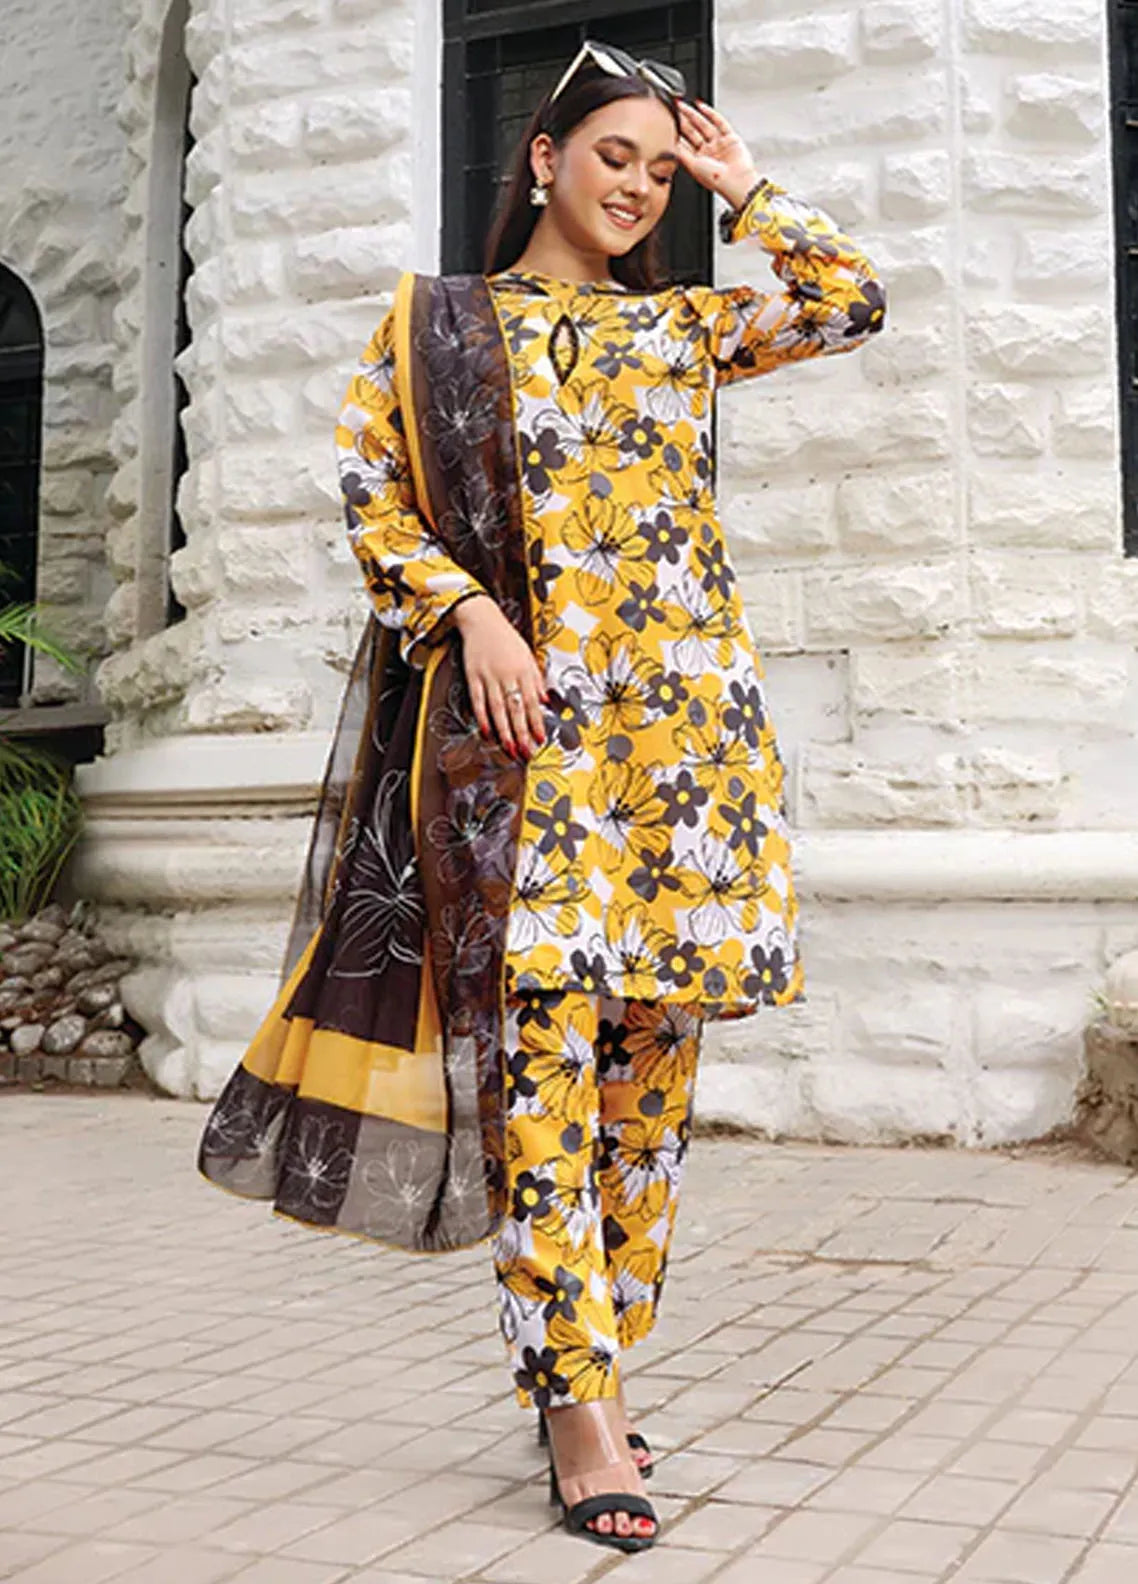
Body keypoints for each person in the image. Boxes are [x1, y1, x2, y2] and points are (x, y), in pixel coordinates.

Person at [198, 37, 885, 1556]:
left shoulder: (683, 329)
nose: (637, 187)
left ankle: (603, 1367)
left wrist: (744, 184)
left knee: (647, 1102)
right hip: (527, 752)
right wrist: (470, 614)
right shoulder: (440, 326)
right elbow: (373, 493)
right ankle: (575, 1406)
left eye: (659, 168)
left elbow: (848, 299)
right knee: (542, 1081)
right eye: (612, 155)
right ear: (543, 158)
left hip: (687, 758)